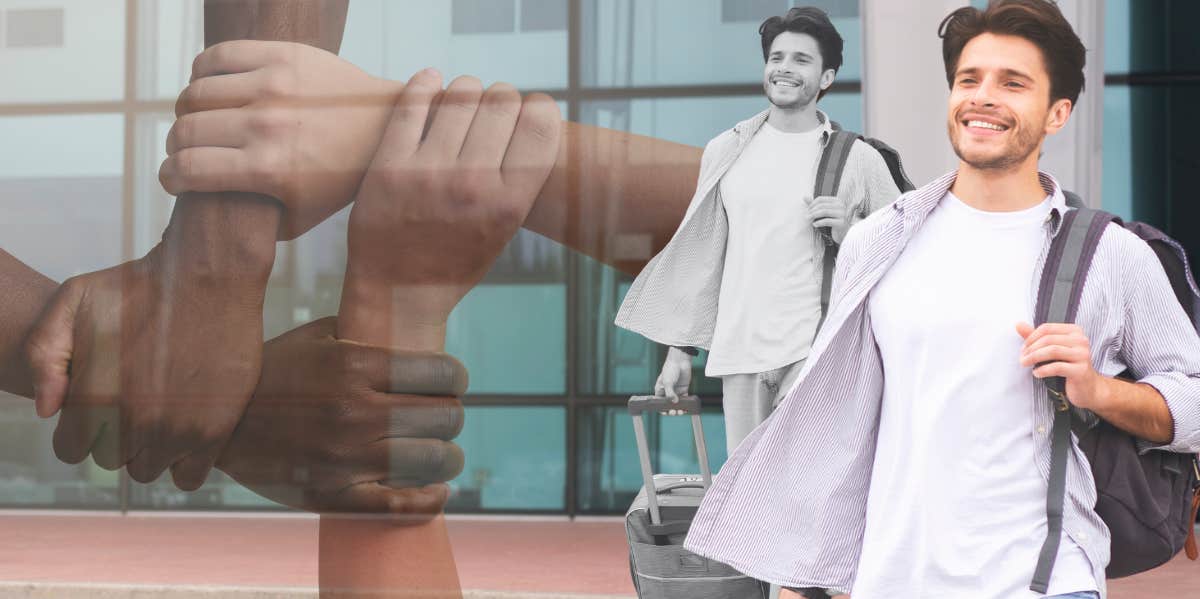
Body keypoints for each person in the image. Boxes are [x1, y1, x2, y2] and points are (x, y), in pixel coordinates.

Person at [682, 2, 1200, 598]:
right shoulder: (881, 239)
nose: (983, 96)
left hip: (1045, 581)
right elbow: (845, 417)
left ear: (1058, 113)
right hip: (892, 579)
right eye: (969, 79)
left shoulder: (1109, 253)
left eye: (1013, 83)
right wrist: (802, 578)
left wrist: (1100, 390)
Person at [614, 6, 902, 456]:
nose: (785, 68)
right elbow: (704, 254)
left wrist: (851, 230)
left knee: (803, 489)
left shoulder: (857, 159)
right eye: (777, 58)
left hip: (815, 350)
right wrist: (679, 351)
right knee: (749, 498)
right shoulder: (726, 149)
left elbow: (902, 248)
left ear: (826, 78)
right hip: (739, 353)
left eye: (801, 60)